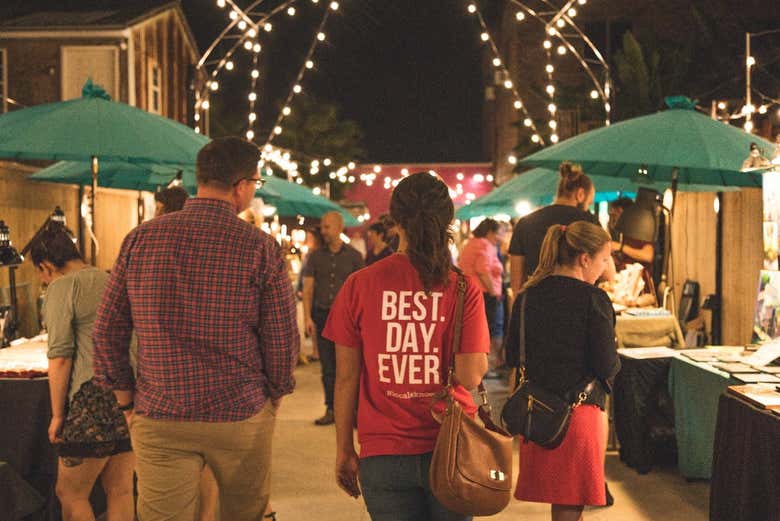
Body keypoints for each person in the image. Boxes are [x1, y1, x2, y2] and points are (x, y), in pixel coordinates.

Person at [93, 137, 299, 521]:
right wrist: (275, 393)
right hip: (240, 412)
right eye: (255, 183)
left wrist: (125, 401)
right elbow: (282, 339)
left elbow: (107, 330)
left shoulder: (141, 239)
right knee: (246, 514)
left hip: (161, 412)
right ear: (241, 186)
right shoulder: (260, 247)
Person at [325, 172, 490, 521]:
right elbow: (471, 377)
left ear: (395, 221)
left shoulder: (359, 284)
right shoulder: (463, 287)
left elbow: (345, 379)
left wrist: (344, 449)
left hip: (382, 453)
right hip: (450, 448)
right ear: (448, 220)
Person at [505, 221, 621, 521]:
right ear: (585, 258)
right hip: (578, 415)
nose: (605, 267)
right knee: (570, 506)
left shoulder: (527, 297)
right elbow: (606, 365)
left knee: (565, 505)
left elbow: (512, 355)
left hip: (537, 413)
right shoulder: (594, 299)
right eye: (604, 258)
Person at [31, 223, 134, 521]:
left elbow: (61, 357)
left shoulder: (63, 287)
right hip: (131, 393)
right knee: (121, 489)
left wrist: (58, 415)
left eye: (40, 274)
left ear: (46, 265)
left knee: (70, 493)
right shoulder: (113, 279)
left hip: (92, 398)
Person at [302, 211, 364, 425]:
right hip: (322, 316)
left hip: (348, 320)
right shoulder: (315, 257)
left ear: (339, 227)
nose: (323, 231)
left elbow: (362, 292)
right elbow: (308, 288)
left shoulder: (354, 257)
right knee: (328, 367)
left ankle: (352, 412)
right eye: (322, 227)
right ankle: (331, 409)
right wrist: (307, 318)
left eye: (327, 227)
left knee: (349, 368)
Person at [509, 162, 601, 295]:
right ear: (580, 194)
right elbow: (607, 273)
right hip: (579, 305)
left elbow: (516, 284)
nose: (587, 208)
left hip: (536, 307)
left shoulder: (525, 223)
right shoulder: (590, 222)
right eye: (589, 202)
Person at [458, 218, 504, 376]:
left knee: (476, 330)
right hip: (485, 294)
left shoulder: (472, 243)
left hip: (471, 292)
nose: (500, 237)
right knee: (491, 330)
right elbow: (483, 269)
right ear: (490, 232)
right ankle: (488, 367)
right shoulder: (485, 245)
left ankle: (481, 367)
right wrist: (494, 292)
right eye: (499, 233)